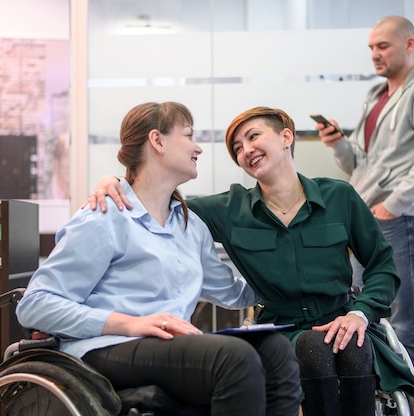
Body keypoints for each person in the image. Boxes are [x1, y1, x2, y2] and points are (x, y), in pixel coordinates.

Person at [88, 106, 414, 415]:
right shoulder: (227, 209)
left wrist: (359, 314)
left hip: (345, 320)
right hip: (285, 331)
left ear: (287, 137)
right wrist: (115, 181)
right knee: (313, 348)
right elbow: (160, 199)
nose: (245, 150)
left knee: (354, 346)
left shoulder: (340, 197)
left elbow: (382, 266)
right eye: (237, 148)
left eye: (253, 136)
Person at [16, 102, 302, 416]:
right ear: (157, 141)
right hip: (106, 347)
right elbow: (35, 304)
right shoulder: (105, 216)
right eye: (189, 136)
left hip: (168, 347)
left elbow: (233, 292)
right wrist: (132, 324)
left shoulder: (190, 226)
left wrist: (299, 281)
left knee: (275, 350)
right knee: (233, 358)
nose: (198, 148)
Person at [315, 15, 414, 404]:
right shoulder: (377, 95)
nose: (375, 54)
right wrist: (339, 145)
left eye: (384, 46)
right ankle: (390, 407)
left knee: (408, 323)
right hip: (371, 219)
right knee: (369, 316)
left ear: (410, 45)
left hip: (404, 220)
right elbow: (364, 164)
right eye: (372, 47)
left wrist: (392, 205)